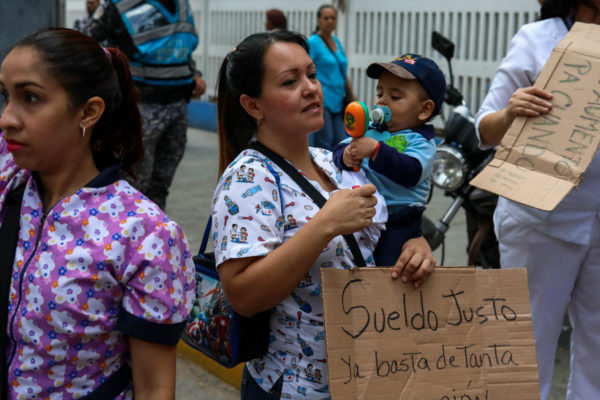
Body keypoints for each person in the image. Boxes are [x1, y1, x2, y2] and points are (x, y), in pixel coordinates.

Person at [212, 29, 435, 399]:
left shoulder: (332, 160)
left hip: (364, 376)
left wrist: (416, 244)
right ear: (253, 105)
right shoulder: (248, 177)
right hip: (295, 387)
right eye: (290, 81)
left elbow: (382, 228)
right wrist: (325, 225)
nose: (311, 89)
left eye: (311, 75)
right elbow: (243, 296)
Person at [0, 28, 195, 399]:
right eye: (5, 96)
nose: (7, 118)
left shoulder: (144, 234)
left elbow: (155, 387)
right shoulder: (10, 180)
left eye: (30, 98)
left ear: (89, 111)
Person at [475, 1, 600, 398]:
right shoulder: (536, 39)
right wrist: (513, 111)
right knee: (527, 348)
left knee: (598, 351)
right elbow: (485, 128)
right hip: (538, 220)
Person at [85, 0, 206, 210]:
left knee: (161, 183)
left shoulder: (183, 5)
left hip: (177, 105)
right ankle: (128, 234)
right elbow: (91, 48)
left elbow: (180, 48)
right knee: (133, 183)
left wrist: (194, 74)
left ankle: (155, 232)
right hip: (141, 107)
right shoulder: (119, 6)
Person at [332, 54, 446, 266]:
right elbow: (338, 149)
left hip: (399, 220)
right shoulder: (370, 129)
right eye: (380, 92)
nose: (382, 101)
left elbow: (410, 172)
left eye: (395, 97)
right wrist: (345, 154)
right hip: (363, 213)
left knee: (385, 268)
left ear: (424, 109)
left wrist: (376, 151)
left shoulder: (422, 142)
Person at [307, 4, 356, 150]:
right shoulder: (313, 42)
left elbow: (341, 70)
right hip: (323, 98)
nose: (330, 21)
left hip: (338, 99)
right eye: (326, 18)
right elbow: (306, 68)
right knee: (325, 141)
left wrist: (351, 94)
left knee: (341, 140)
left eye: (333, 18)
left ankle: (337, 171)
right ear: (319, 20)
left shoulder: (337, 42)